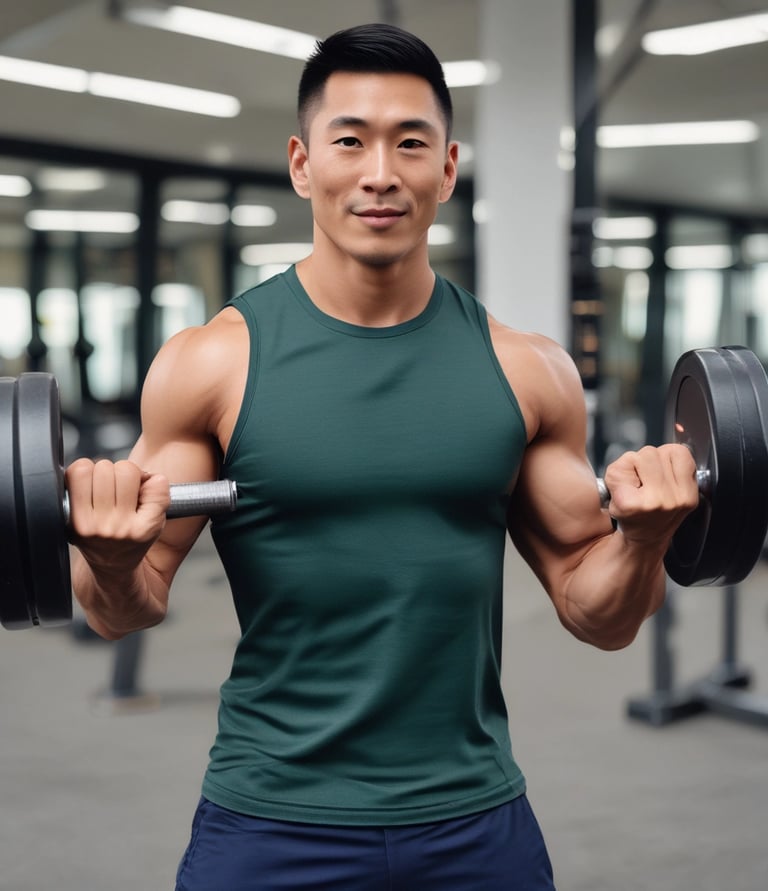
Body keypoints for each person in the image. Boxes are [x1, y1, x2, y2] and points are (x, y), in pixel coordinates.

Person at [66, 22, 698, 891]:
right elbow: (120, 613)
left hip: (474, 817)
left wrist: (644, 539)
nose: (379, 173)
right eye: (350, 141)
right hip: (270, 813)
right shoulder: (212, 362)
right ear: (301, 164)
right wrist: (105, 554)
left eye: (411, 144)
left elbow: (601, 616)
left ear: (445, 169)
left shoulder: (527, 369)